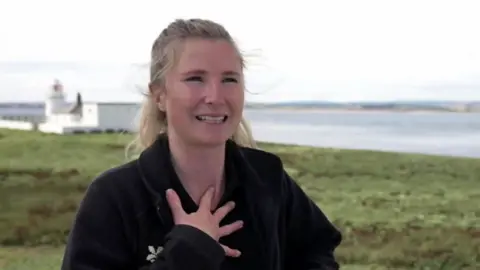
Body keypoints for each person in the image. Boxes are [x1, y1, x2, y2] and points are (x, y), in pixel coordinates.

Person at [60, 18, 342, 270]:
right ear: (159, 95)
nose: (215, 96)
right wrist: (189, 250)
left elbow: (318, 249)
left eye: (229, 79)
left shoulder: (266, 179)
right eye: (195, 78)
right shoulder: (115, 197)